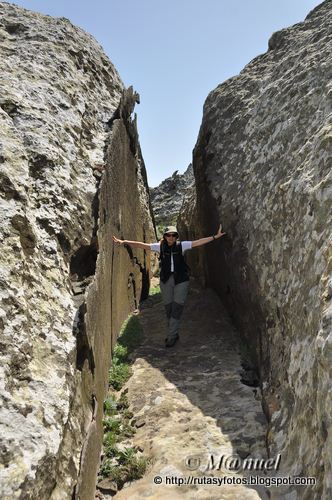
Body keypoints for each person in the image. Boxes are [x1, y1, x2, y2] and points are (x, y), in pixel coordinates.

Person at [112, 224, 226, 347]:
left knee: (177, 308)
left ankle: (171, 337)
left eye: (173, 235)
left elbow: (198, 242)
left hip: (181, 280)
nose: (171, 238)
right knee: (169, 309)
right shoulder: (159, 247)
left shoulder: (182, 245)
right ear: (165, 236)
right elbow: (141, 245)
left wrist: (215, 237)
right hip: (166, 281)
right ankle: (175, 332)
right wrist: (123, 242)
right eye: (168, 235)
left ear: (176, 236)